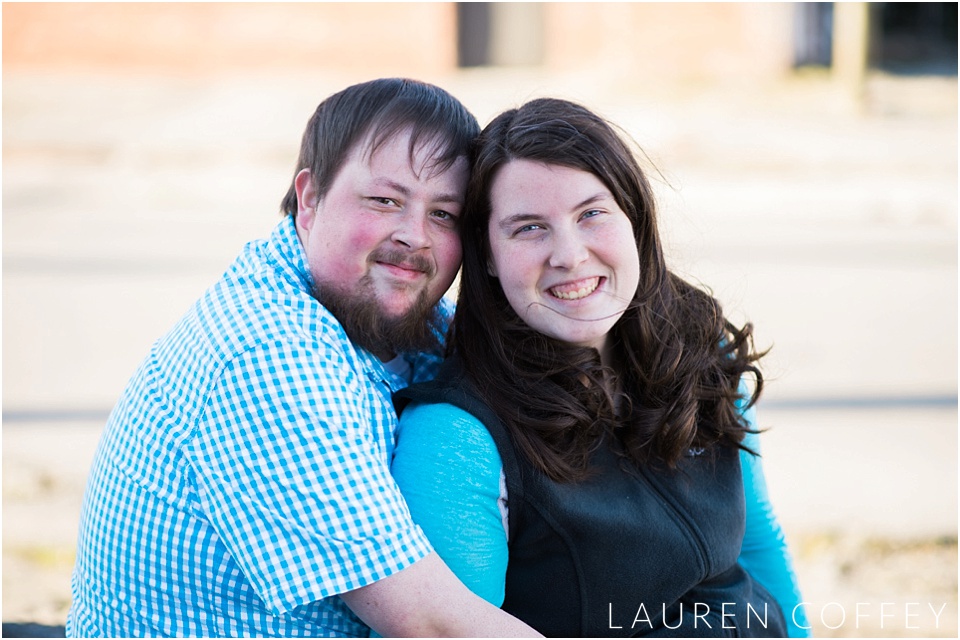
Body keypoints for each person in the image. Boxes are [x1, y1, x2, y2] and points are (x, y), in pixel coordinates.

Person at [66, 78, 540, 638]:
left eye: (444, 215)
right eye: (384, 200)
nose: (415, 236)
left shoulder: (394, 315)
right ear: (310, 198)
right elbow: (432, 624)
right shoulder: (266, 353)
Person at [392, 98, 811, 637]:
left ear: (633, 216)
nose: (569, 254)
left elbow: (758, 544)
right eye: (528, 228)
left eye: (590, 214)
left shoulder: (700, 349)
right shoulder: (456, 435)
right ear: (488, 257)